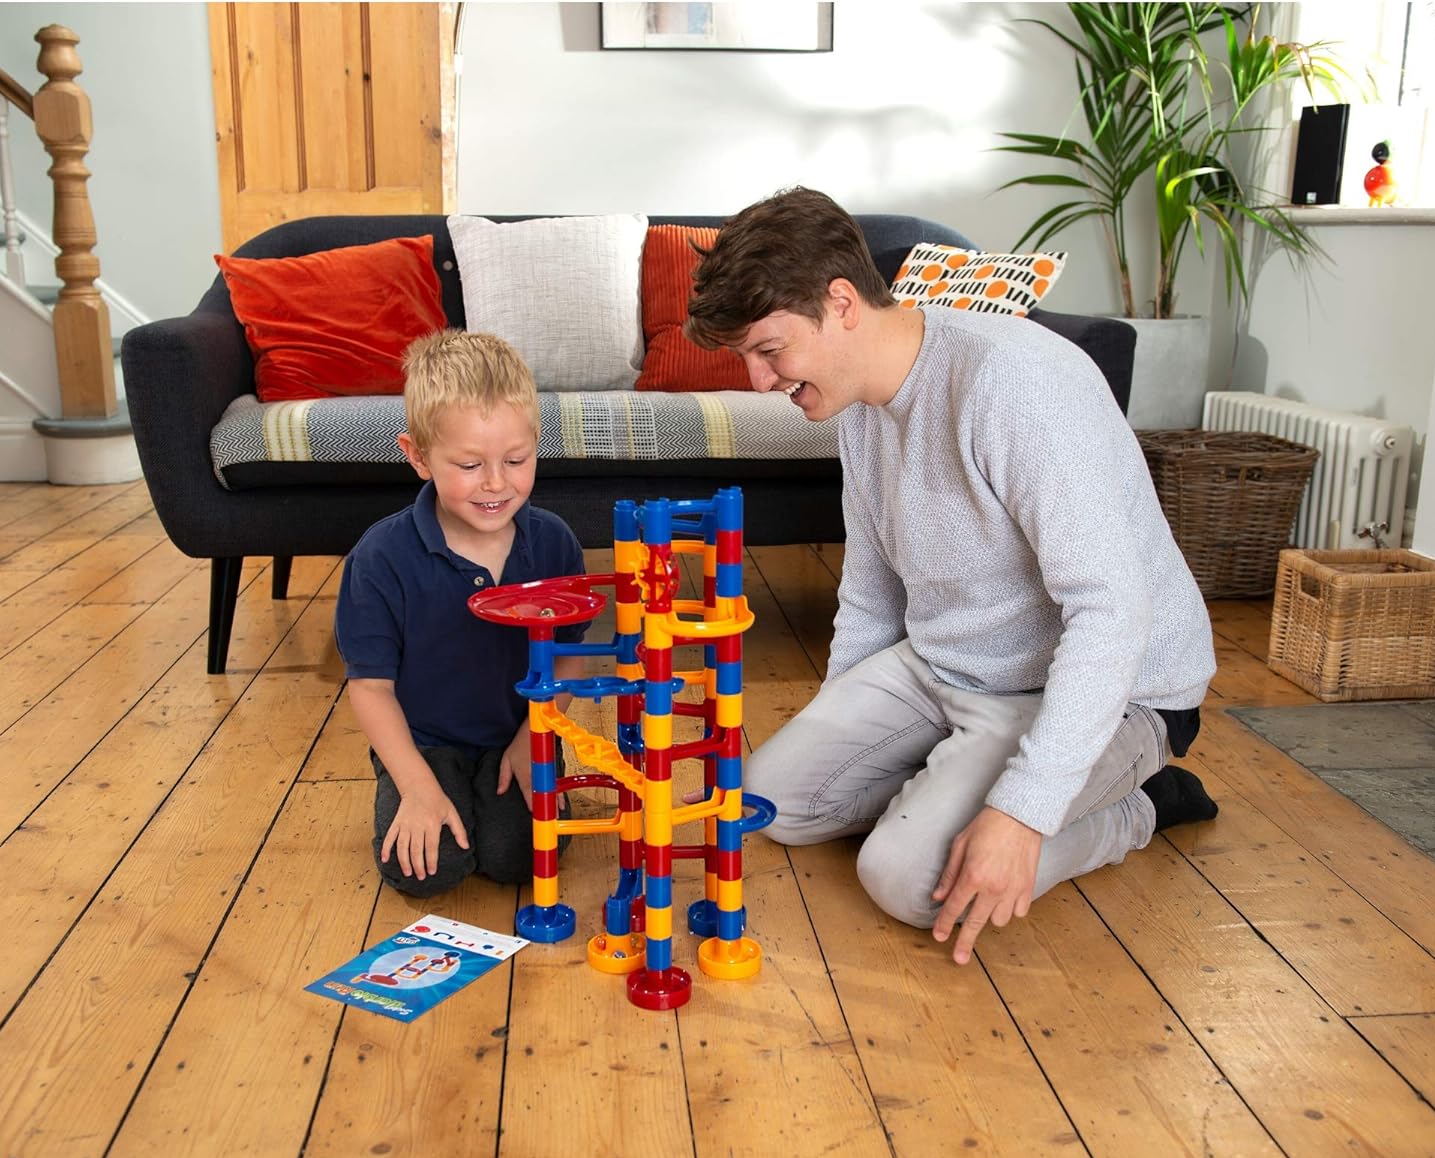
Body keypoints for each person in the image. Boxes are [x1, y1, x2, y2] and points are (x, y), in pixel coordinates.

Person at [685, 187, 1219, 963]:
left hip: (1116, 690)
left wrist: (1023, 813)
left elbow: (1111, 613)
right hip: (950, 667)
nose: (759, 380)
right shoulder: (857, 407)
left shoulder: (1013, 384)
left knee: (910, 880)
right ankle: (958, 788)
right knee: (768, 806)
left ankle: (1137, 809)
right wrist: (844, 734)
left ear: (841, 303)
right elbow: (870, 594)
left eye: (769, 351)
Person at [334, 329, 587, 897]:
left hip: (518, 734)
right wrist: (416, 785)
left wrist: (534, 740)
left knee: (520, 857)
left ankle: (487, 803)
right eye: (470, 464)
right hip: (423, 744)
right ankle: (432, 791)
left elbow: (567, 658)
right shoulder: (380, 557)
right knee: (424, 870)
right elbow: (370, 687)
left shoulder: (554, 543)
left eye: (516, 460)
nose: (496, 483)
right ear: (418, 456)